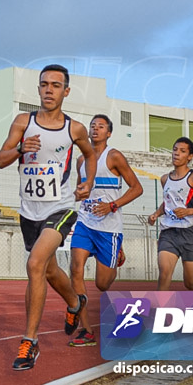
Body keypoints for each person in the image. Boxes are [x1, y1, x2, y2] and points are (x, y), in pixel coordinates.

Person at [0, 64, 95, 370]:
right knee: (50, 271)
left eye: (55, 85)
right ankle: (74, 302)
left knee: (35, 264)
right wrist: (19, 149)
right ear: (38, 89)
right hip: (30, 211)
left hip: (61, 207)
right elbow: (1, 160)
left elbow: (90, 155)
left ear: (66, 91)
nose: (49, 89)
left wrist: (87, 182)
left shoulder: (74, 128)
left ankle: (30, 342)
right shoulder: (23, 122)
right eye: (44, 84)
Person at [67, 114, 143, 347]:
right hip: (85, 222)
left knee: (102, 284)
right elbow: (82, 190)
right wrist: (79, 194)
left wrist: (112, 205)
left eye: (101, 127)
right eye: (92, 126)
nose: (95, 129)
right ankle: (86, 330)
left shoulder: (114, 156)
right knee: (75, 268)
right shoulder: (81, 161)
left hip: (109, 228)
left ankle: (116, 253)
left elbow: (137, 188)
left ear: (108, 133)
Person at [146, 137, 193, 291]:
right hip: (169, 232)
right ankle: (159, 310)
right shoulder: (165, 179)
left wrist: (188, 211)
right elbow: (168, 202)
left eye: (182, 151)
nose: (176, 153)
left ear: (189, 156)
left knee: (190, 284)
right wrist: (156, 214)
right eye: (175, 149)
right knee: (164, 272)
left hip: (190, 233)